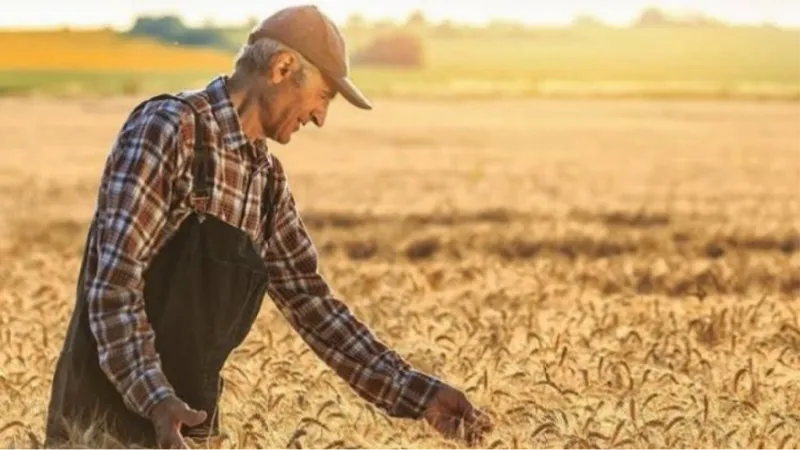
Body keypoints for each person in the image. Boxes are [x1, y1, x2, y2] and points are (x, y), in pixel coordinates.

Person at [44, 5, 492, 449]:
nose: (321, 117)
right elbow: (114, 287)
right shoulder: (170, 129)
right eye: (324, 96)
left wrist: (420, 395)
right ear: (282, 67)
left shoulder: (266, 182)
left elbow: (314, 306)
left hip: (188, 430)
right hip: (100, 430)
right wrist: (156, 400)